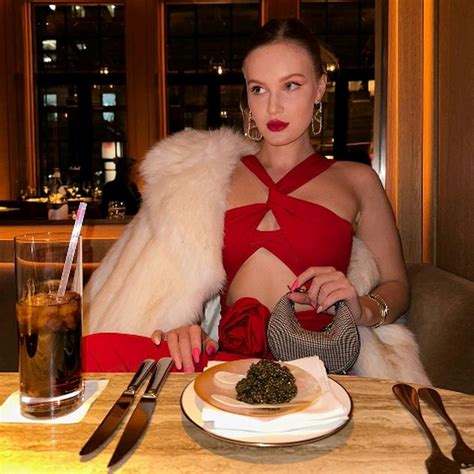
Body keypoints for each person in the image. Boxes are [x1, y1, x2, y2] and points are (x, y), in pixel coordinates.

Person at [82, 19, 428, 383]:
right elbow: (178, 281)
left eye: (291, 85)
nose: (273, 107)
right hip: (228, 367)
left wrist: (362, 310)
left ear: (319, 88)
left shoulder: (357, 181)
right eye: (259, 89)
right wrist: (183, 327)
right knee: (89, 353)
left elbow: (397, 285)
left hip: (315, 367)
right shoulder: (213, 177)